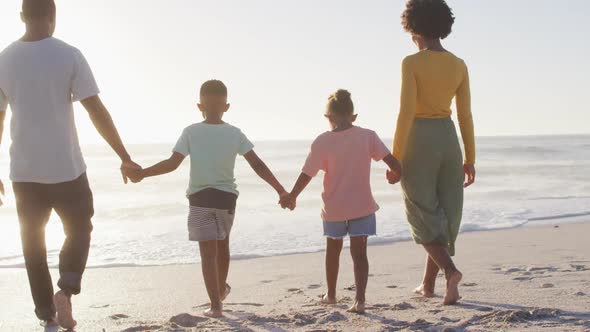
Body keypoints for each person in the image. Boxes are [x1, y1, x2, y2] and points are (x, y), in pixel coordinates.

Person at [0, 0, 141, 328]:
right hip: (67, 168)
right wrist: (124, 156)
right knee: (79, 228)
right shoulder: (69, 54)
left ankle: (46, 316)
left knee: (32, 243)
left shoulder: (4, 60)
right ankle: (66, 288)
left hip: (24, 172)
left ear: (22, 17)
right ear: (53, 17)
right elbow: (96, 110)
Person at [124, 80, 288, 318]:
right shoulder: (234, 133)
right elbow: (257, 163)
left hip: (200, 198)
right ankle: (221, 290)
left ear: (199, 106)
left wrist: (143, 174)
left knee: (207, 254)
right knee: (223, 247)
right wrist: (280, 190)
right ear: (227, 106)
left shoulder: (191, 132)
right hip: (226, 199)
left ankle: (216, 305)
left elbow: (172, 164)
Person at [280, 89, 402, 314]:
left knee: (333, 250)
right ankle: (360, 300)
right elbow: (394, 163)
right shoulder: (368, 136)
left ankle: (331, 295)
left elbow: (307, 173)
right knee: (360, 254)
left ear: (329, 117)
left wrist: (292, 196)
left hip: (334, 207)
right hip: (362, 206)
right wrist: (395, 176)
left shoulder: (322, 141)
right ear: (353, 116)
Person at [390, 0, 476, 305]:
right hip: (449, 139)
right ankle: (428, 285)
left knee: (421, 213)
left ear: (414, 27)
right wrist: (470, 158)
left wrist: (395, 156)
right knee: (441, 214)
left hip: (419, 139)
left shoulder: (411, 63)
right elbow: (465, 115)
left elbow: (406, 112)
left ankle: (450, 272)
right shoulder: (459, 64)